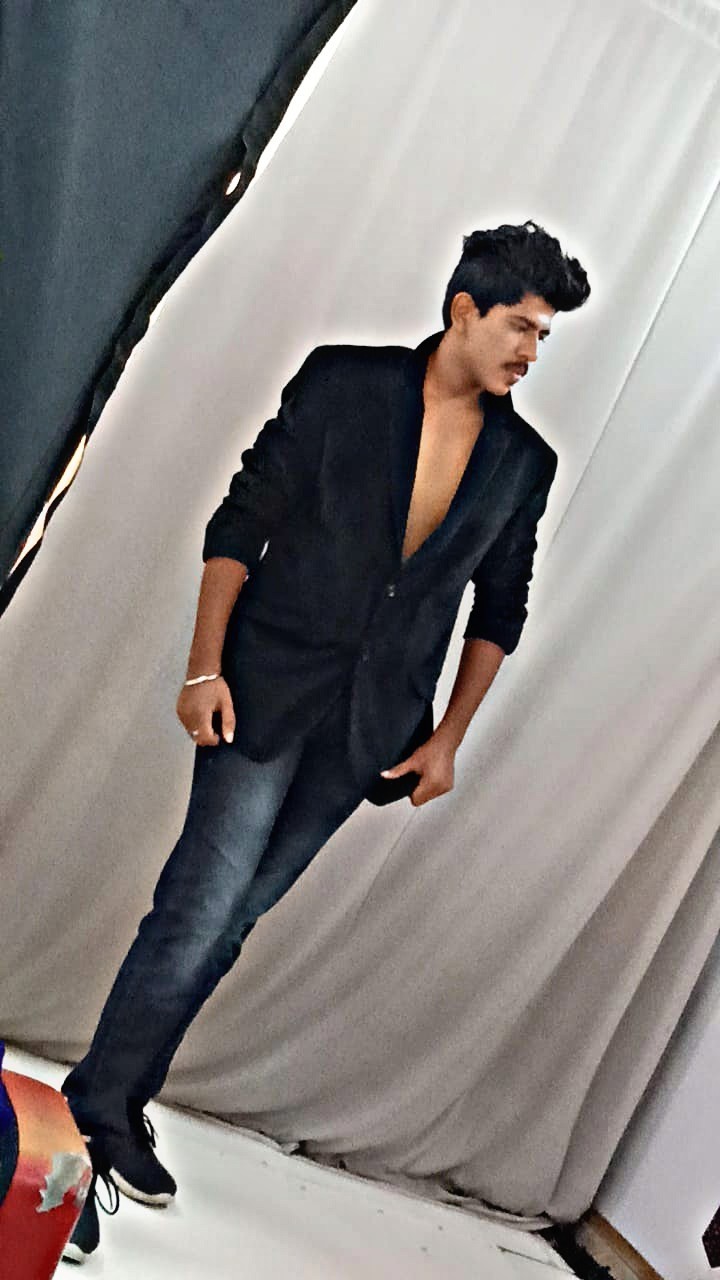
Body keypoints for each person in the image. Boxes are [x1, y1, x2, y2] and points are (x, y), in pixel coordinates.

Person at [60, 220, 590, 1263]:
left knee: (229, 923)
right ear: (465, 311)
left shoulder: (524, 462)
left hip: (370, 731)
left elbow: (501, 608)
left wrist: (448, 738)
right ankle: (83, 1129)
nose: (534, 350)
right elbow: (242, 519)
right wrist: (203, 668)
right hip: (263, 690)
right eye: (523, 327)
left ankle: (114, 1102)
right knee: (198, 908)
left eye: (545, 335)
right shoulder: (345, 383)